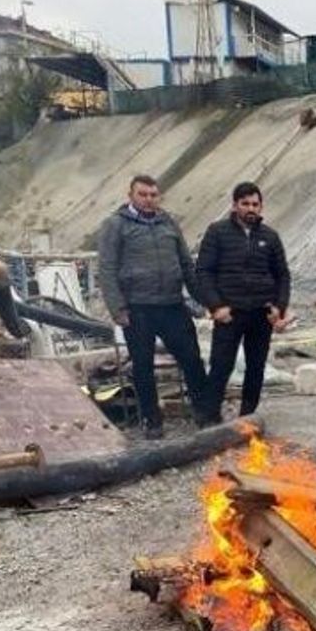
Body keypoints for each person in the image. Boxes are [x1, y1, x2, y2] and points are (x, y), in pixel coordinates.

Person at [97, 174, 210, 440]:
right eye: (143, 194)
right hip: (137, 308)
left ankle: (204, 412)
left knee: (192, 358)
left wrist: (205, 300)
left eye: (153, 195)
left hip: (172, 304)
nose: (148, 199)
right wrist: (117, 309)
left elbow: (185, 264)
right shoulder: (116, 225)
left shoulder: (168, 222)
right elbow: (107, 268)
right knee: (142, 366)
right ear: (131, 196)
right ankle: (152, 420)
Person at [197, 182, 292, 422]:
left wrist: (278, 308)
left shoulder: (270, 236)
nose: (251, 208)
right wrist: (216, 306)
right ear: (235, 205)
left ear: (261, 207)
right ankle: (209, 418)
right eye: (245, 203)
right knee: (221, 366)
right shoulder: (217, 232)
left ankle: (247, 418)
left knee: (256, 367)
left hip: (261, 314)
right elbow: (204, 272)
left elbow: (282, 275)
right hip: (230, 313)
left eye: (255, 204)